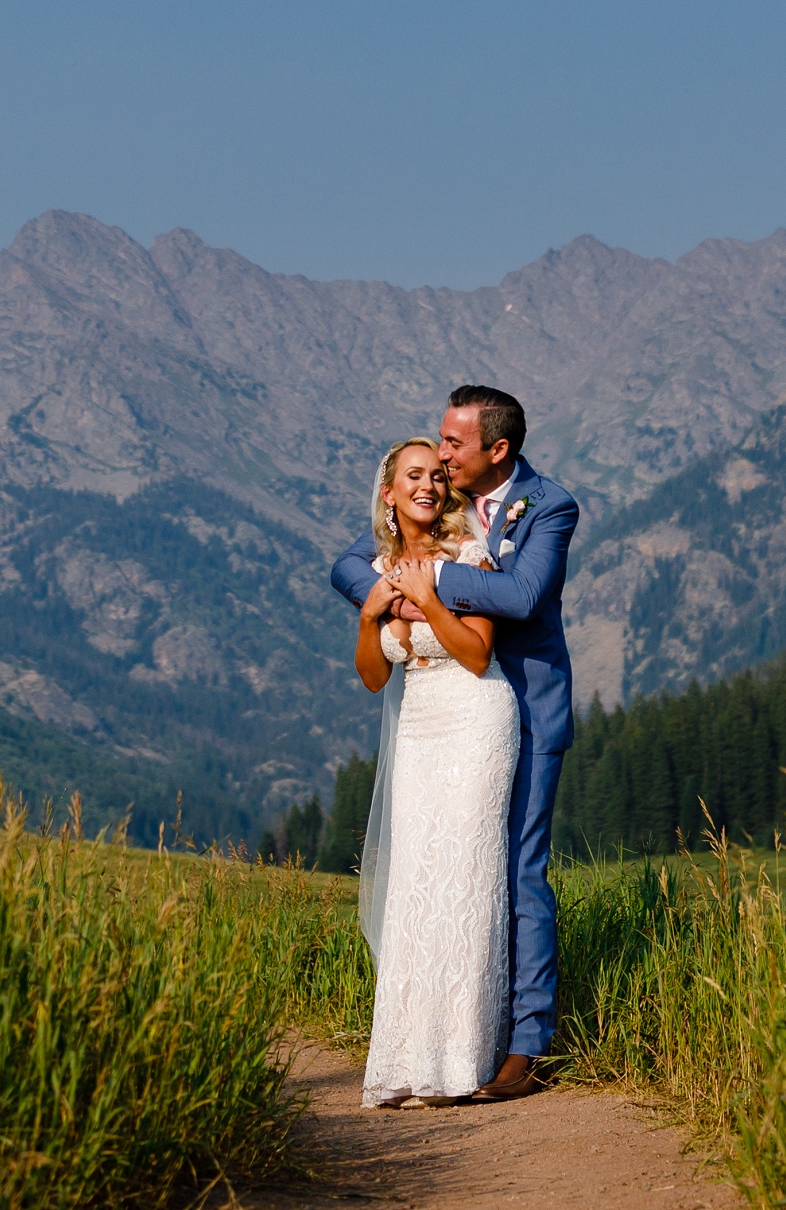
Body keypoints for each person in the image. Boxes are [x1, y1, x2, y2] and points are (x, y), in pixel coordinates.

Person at [328, 383, 579, 1101]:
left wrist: (431, 581)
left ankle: (525, 1045)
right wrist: (381, 594)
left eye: (452, 446)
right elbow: (351, 563)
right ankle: (438, 1035)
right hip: (429, 720)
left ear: (495, 451)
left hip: (516, 709)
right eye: (435, 446)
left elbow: (524, 596)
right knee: (440, 877)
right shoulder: (432, 510)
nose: (440, 457)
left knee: (517, 873)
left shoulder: (547, 507)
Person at [347, 435, 515, 1105]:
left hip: (478, 720)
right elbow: (371, 676)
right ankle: (408, 1061)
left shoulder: (469, 555)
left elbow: (477, 654)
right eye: (413, 475)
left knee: (465, 876)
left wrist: (432, 597)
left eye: (436, 475)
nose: (429, 484)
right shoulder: (380, 568)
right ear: (389, 492)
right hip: (418, 729)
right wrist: (369, 617)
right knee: (417, 881)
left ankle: (458, 1062)